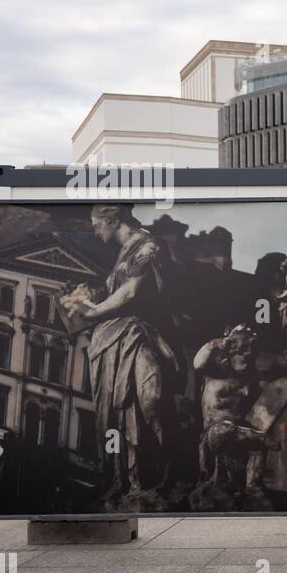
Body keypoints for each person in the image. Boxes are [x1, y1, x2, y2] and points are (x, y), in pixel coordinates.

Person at [67, 204, 182, 506]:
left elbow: (131, 291)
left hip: (138, 336)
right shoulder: (125, 251)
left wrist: (92, 311)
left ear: (112, 218)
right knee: (118, 415)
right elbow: (116, 292)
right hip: (113, 342)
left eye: (96, 224)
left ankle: (155, 477)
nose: (94, 230)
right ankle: (127, 480)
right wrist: (85, 298)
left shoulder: (149, 245)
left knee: (145, 403)